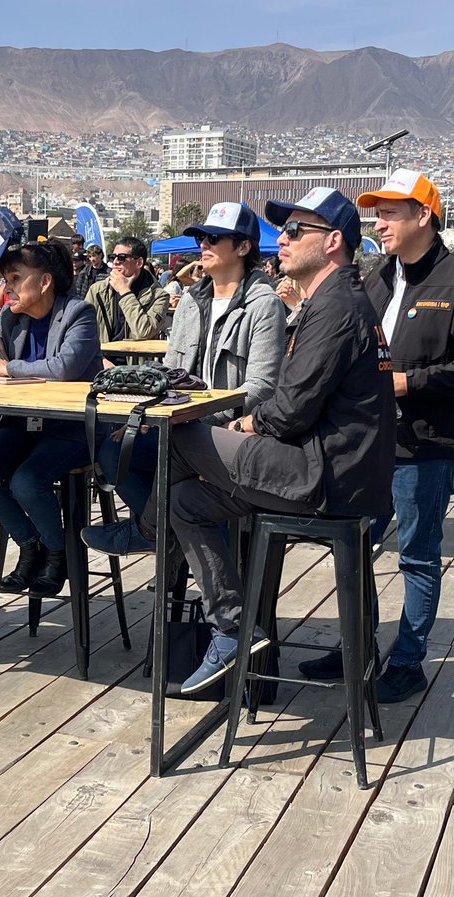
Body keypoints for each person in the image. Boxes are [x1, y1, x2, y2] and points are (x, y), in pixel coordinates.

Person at [91, 190, 396, 693]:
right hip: (326, 466)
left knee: (178, 434)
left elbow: (289, 408)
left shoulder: (334, 306)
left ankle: (147, 532)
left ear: (333, 242)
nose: (284, 239)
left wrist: (241, 427)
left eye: (295, 231)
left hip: (324, 475)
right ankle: (232, 627)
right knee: (183, 499)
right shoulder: (331, 301)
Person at [301, 169, 454, 704]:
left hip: (427, 444)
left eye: (390, 213)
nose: (379, 223)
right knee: (353, 545)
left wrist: (410, 382)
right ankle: (358, 645)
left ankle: (409, 661)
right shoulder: (378, 277)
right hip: (369, 441)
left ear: (424, 215)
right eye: (377, 213)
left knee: (416, 554)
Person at [84, 201, 285, 532]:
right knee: (114, 451)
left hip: (227, 429)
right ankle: (166, 535)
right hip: (178, 423)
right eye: (201, 238)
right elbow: (171, 371)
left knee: (172, 459)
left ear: (243, 247)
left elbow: (261, 387)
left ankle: (151, 533)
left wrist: (201, 419)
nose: (204, 245)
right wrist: (144, 415)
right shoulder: (191, 300)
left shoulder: (264, 305)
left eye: (214, 238)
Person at [0, 215, 103, 595]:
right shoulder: (12, 316)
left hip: (71, 427)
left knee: (27, 481)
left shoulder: (78, 313)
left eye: (15, 278)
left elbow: (63, 369)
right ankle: (30, 544)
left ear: (44, 282)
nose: (7, 287)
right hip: (25, 422)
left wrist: (11, 368)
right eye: (5, 279)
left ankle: (58, 553)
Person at [86, 235, 167, 346]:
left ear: (139, 263)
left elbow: (144, 332)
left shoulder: (159, 296)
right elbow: (83, 330)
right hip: (103, 355)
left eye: (121, 257)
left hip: (136, 356)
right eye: (112, 257)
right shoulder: (97, 290)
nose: (115, 262)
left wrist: (125, 292)